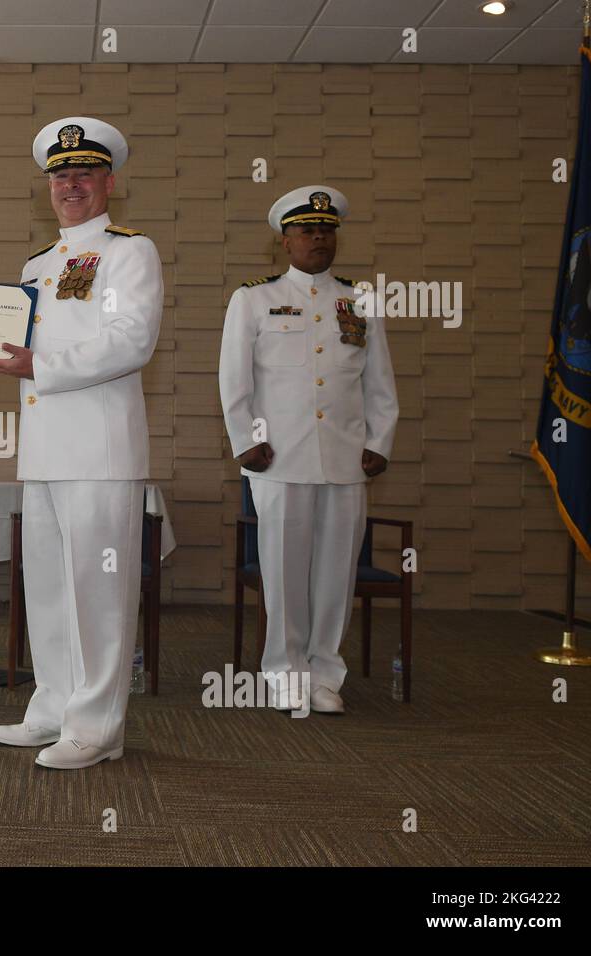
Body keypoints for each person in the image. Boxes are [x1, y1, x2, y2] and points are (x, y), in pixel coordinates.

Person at [0, 117, 163, 769]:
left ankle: (98, 729)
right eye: (61, 175)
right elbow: (15, 343)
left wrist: (39, 366)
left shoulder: (128, 251)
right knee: (52, 590)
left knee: (99, 591)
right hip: (45, 451)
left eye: (85, 172)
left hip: (101, 451)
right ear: (48, 187)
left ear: (109, 180)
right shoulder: (37, 264)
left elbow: (130, 341)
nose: (72, 184)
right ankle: (54, 707)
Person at [217, 185, 398, 714]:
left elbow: (380, 384)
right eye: (306, 230)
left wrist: (379, 442)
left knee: (337, 572)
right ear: (284, 241)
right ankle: (284, 672)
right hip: (279, 458)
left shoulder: (360, 301)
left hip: (345, 458)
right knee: (283, 569)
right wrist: (246, 441)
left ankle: (325, 675)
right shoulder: (253, 298)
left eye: (327, 230)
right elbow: (234, 379)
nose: (318, 238)